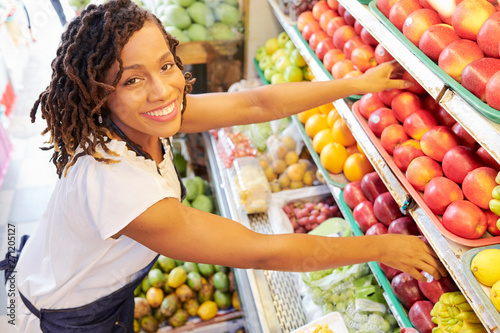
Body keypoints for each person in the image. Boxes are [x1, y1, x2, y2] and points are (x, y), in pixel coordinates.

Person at [4, 0, 446, 331]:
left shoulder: (143, 117)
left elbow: (253, 103)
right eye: (132, 79)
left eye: (166, 65)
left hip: (79, 279)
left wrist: (353, 84)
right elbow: (263, 250)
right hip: (63, 311)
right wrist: (381, 247)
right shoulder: (123, 189)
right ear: (101, 92)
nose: (163, 91)